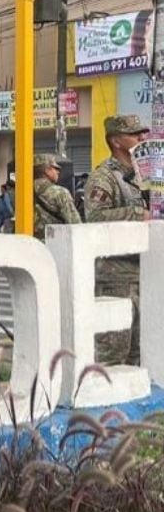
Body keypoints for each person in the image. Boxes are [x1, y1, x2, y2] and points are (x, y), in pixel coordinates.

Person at [84, 114, 151, 365]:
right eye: (135, 134)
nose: (142, 138)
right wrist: (137, 214)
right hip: (115, 278)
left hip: (144, 273)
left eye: (142, 134)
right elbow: (94, 217)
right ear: (116, 141)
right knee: (113, 354)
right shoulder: (105, 177)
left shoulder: (143, 176)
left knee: (140, 353)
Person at [30, 153, 81, 240]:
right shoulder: (60, 193)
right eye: (55, 168)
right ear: (47, 170)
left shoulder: (23, 193)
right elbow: (76, 224)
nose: (58, 171)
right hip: (54, 244)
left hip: (32, 245)